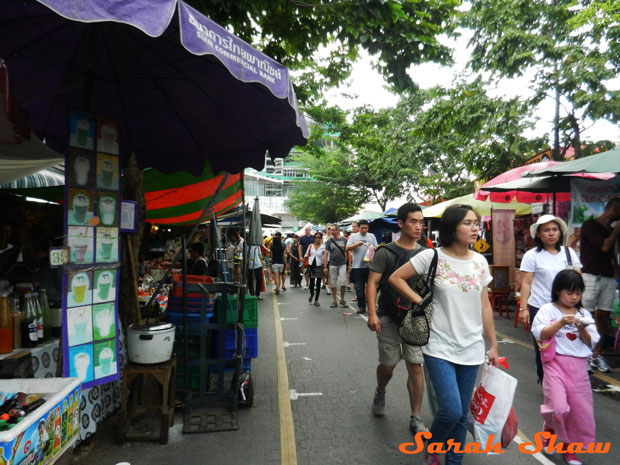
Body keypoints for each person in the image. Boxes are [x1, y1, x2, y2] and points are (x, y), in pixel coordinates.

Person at [389, 205, 499, 465]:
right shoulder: (432, 257)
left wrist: (493, 344)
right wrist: (420, 302)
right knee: (450, 411)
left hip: (472, 348)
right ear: (452, 227)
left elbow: (485, 305)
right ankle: (434, 448)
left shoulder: (479, 261)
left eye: (476, 223)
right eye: (468, 223)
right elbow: (396, 278)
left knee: (462, 416)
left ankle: (452, 461)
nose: (475, 228)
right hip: (439, 346)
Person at [366, 203, 428, 434]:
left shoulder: (425, 253)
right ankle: (381, 390)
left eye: (421, 222)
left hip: (415, 320)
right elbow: (372, 282)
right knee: (388, 365)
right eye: (413, 221)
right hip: (389, 317)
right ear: (400, 223)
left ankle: (416, 416)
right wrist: (372, 314)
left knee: (415, 366)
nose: (418, 226)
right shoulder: (385, 252)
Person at [531, 270, 599, 465]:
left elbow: (591, 342)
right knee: (559, 407)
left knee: (579, 412)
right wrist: (560, 323)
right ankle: (549, 431)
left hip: (579, 368)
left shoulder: (584, 314)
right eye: (570, 293)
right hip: (554, 364)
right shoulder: (547, 310)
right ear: (558, 291)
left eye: (578, 293)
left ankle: (569, 449)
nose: (574, 297)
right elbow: (541, 334)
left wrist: (582, 328)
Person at [518, 214, 582, 383]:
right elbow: (526, 283)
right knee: (544, 346)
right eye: (546, 230)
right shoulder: (532, 255)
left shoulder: (569, 254)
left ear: (560, 233)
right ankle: (546, 379)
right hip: (539, 308)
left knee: (567, 345)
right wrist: (523, 309)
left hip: (566, 308)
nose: (551, 233)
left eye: (554, 230)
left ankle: (564, 379)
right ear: (539, 234)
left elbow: (578, 280)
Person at [579, 198, 620, 373]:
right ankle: (583, 354)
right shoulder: (589, 226)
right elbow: (605, 247)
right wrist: (617, 230)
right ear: (614, 209)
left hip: (607, 278)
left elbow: (612, 254)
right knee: (585, 316)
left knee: (603, 315)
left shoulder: (612, 230)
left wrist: (616, 271)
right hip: (590, 277)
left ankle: (596, 354)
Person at [346, 219, 378, 314]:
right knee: (359, 288)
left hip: (370, 266)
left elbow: (377, 248)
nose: (364, 230)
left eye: (366, 228)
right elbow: (347, 248)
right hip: (357, 266)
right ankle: (361, 306)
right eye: (362, 228)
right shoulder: (353, 236)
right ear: (358, 228)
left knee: (371, 287)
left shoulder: (371, 236)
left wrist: (372, 248)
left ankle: (372, 305)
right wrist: (356, 245)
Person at [323, 224, 348, 308]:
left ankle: (342, 299)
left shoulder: (344, 240)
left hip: (342, 263)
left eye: (333, 230)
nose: (331, 231)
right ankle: (334, 301)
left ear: (337, 230)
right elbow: (326, 253)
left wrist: (349, 263)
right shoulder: (329, 241)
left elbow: (347, 252)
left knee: (343, 281)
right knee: (333, 283)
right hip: (333, 263)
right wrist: (325, 266)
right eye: (330, 229)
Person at [304, 232, 325, 306]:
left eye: (319, 237)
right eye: (316, 237)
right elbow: (306, 255)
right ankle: (312, 294)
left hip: (319, 265)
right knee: (312, 283)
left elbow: (326, 258)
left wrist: (325, 267)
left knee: (318, 283)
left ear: (321, 239)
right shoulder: (311, 246)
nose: (317, 239)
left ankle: (316, 300)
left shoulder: (323, 247)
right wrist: (303, 266)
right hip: (311, 265)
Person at [299, 225, 315, 289]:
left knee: (312, 270)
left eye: (307, 230)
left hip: (312, 256)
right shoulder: (302, 238)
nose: (306, 231)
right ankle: (307, 283)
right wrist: (300, 256)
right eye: (305, 230)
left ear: (310, 231)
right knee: (305, 270)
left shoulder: (313, 237)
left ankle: (312, 283)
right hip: (305, 257)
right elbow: (300, 247)